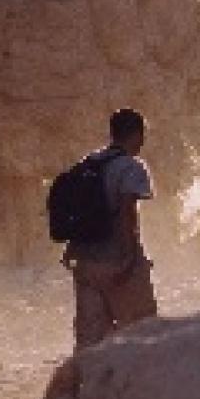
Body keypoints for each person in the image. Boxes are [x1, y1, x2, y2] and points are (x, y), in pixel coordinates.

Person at [62, 108, 158, 349]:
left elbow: (79, 211)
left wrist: (72, 249)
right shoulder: (131, 167)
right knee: (141, 332)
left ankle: (88, 384)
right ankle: (138, 385)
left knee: (90, 340)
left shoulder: (88, 163)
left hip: (86, 263)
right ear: (136, 134)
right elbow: (127, 212)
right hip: (118, 261)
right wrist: (130, 257)